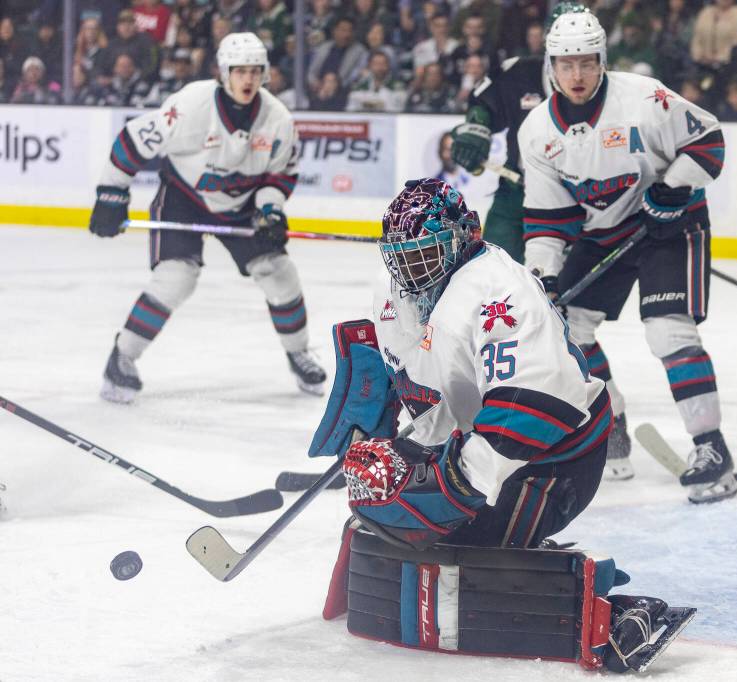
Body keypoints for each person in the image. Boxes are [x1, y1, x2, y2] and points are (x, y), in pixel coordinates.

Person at [324, 179, 694, 674]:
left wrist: (454, 484)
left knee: (458, 545)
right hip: (467, 438)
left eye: (426, 254)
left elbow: (530, 403)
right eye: (402, 257)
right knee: (394, 519)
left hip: (553, 459)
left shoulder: (501, 292)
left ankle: (623, 613)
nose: (412, 272)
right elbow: (402, 363)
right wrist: (378, 432)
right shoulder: (397, 288)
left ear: (463, 237)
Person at [518, 10, 736, 502]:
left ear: (603, 61)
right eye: (566, 64)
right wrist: (544, 277)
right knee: (568, 328)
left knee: (667, 331)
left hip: (669, 228)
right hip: (603, 234)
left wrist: (674, 187)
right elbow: (548, 222)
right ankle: (609, 421)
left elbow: (710, 141)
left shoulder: (645, 98)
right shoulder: (536, 131)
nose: (577, 76)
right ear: (551, 65)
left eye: (587, 63)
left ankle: (711, 446)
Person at [87, 32, 326, 403]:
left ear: (264, 74)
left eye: (255, 71)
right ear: (224, 72)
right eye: (240, 70)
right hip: (184, 197)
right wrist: (111, 194)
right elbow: (132, 141)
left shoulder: (278, 120)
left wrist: (270, 212)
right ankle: (122, 357)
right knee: (176, 277)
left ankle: (298, 352)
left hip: (242, 205)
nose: (248, 79)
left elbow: (280, 176)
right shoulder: (190, 107)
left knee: (279, 273)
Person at [450, 2, 583, 264]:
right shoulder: (518, 72)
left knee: (560, 286)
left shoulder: (606, 88)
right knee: (492, 271)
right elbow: (483, 103)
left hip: (577, 199)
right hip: (515, 192)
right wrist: (476, 128)